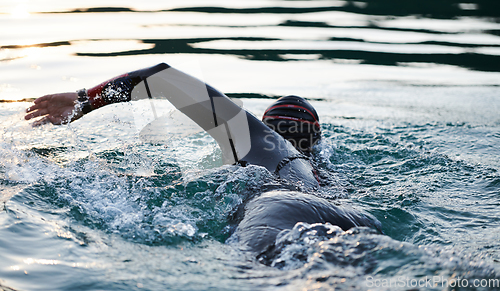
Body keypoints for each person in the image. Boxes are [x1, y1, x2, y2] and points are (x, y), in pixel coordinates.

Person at [25, 63, 382, 255]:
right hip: (348, 220)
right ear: (315, 144)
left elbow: (162, 77)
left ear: (266, 125)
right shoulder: (330, 179)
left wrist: (86, 101)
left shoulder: (256, 140)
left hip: (274, 211)